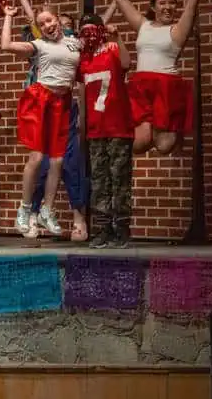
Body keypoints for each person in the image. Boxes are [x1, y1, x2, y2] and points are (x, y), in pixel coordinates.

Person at [0, 1, 81, 239]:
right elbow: (6, 45)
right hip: (40, 100)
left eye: (50, 20)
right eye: (42, 23)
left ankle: (46, 210)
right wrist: (7, 16)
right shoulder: (39, 45)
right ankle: (24, 210)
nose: (47, 25)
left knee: (57, 160)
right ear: (39, 28)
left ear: (58, 19)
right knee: (37, 157)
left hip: (63, 102)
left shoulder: (73, 43)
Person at [115, 0, 205, 154]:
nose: (168, 7)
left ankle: (169, 127)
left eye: (172, 3)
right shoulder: (143, 26)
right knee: (138, 144)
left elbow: (193, 0)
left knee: (165, 146)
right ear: (153, 7)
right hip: (141, 86)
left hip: (166, 87)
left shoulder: (177, 30)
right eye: (162, 3)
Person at [77, 13, 134, 248]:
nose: (89, 34)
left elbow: (126, 64)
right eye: (84, 30)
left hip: (118, 125)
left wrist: (117, 37)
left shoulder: (111, 48)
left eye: (93, 29)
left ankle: (121, 228)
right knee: (99, 180)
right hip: (95, 127)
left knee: (119, 178)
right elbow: (80, 90)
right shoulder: (82, 58)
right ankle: (101, 228)